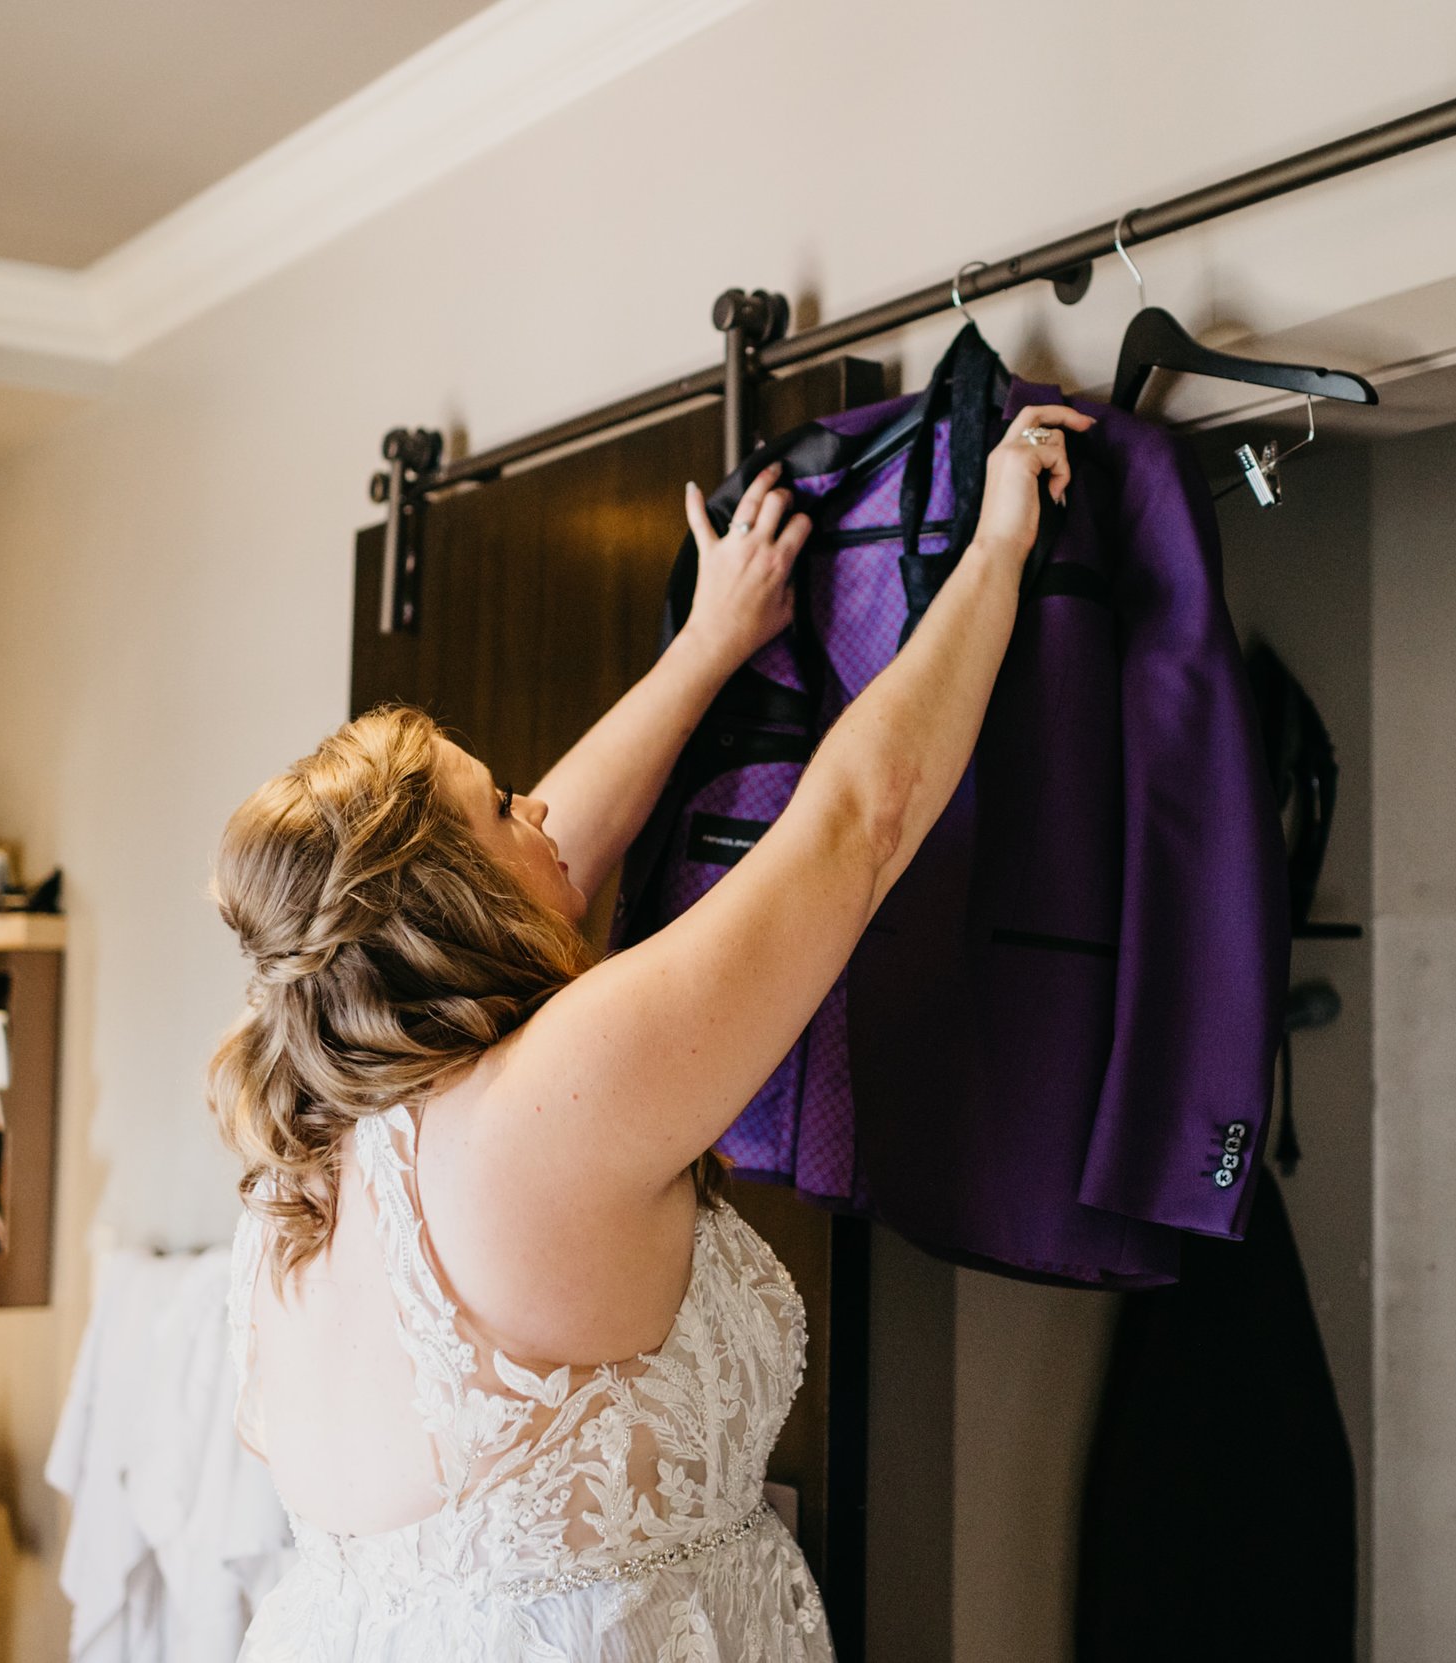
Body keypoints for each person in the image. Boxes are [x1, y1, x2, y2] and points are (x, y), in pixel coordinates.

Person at [211, 403, 1093, 1660]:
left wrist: (712, 644)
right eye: (505, 801)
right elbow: (854, 824)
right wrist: (1000, 548)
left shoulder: (307, 1148)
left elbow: (541, 862)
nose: (544, 811)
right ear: (457, 904)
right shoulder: (540, 1102)